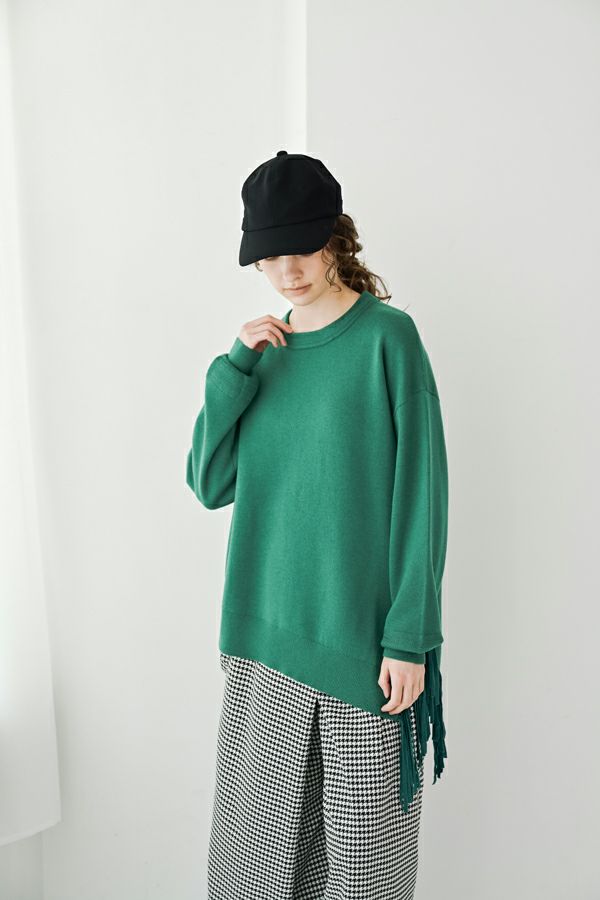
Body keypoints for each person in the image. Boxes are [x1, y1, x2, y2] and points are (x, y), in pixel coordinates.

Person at [186, 150, 449, 900]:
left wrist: (410, 638)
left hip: (362, 654)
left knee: (365, 879)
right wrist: (233, 367)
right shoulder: (260, 355)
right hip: (263, 649)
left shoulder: (388, 339)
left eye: (299, 248)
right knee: (255, 878)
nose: (286, 271)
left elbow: (423, 495)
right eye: (267, 256)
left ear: (335, 236)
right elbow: (209, 483)